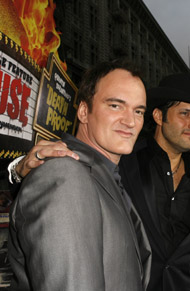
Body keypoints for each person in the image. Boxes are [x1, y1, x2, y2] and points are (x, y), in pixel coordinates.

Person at [12, 73, 190, 291]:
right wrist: (20, 168)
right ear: (158, 116)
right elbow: (64, 176)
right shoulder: (120, 158)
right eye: (185, 113)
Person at [7, 60, 152, 290]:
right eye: (116, 105)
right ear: (84, 111)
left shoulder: (107, 175)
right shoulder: (64, 174)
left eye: (138, 111)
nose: (131, 121)